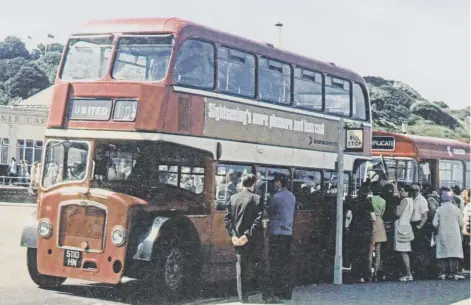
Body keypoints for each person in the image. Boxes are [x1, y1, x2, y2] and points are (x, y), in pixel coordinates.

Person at [224, 174, 268, 303]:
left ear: (242, 184)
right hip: (253, 241)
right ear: (253, 184)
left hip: (238, 241)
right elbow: (258, 221)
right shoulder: (256, 199)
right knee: (259, 268)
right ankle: (263, 297)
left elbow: (227, 220)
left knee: (241, 270)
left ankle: (243, 299)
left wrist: (233, 235)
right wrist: (247, 235)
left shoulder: (232, 198)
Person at [266, 174, 296, 301]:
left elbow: (270, 212)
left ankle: (277, 291)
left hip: (277, 234)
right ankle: (287, 292)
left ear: (279, 183)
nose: (274, 184)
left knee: (275, 264)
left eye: (275, 182)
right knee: (286, 264)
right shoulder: (292, 196)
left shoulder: (276, 197)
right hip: (288, 234)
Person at [432, 191, 465, 280]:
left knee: (443, 254)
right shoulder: (456, 209)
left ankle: (443, 273)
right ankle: (454, 272)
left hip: (442, 233)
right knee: (454, 253)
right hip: (455, 234)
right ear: (451, 199)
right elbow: (462, 223)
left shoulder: (439, 209)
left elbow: (434, 223)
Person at [394, 185, 415, 281]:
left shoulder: (404, 201)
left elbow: (398, 213)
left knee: (403, 252)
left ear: (407, 192)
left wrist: (397, 206)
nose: (401, 192)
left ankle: (408, 273)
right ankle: (407, 273)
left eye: (402, 191)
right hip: (407, 226)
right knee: (404, 251)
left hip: (400, 227)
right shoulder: (411, 201)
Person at [370, 181, 387, 281]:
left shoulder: (369, 200)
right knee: (378, 249)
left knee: (370, 247)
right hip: (379, 222)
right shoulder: (383, 201)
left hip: (370, 222)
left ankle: (370, 270)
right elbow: (382, 212)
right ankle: (376, 271)